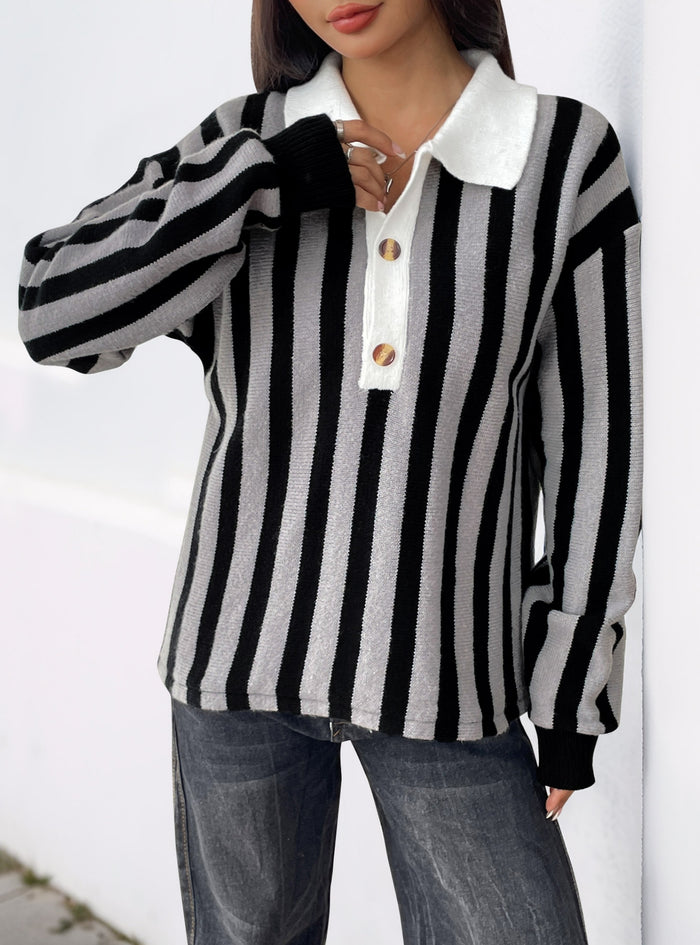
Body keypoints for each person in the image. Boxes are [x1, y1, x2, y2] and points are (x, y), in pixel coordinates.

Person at [17, 0, 642, 942]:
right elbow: (51, 309)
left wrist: (570, 686)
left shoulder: (561, 160)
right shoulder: (249, 140)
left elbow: (598, 447)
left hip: (447, 677)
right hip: (236, 664)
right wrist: (258, 182)